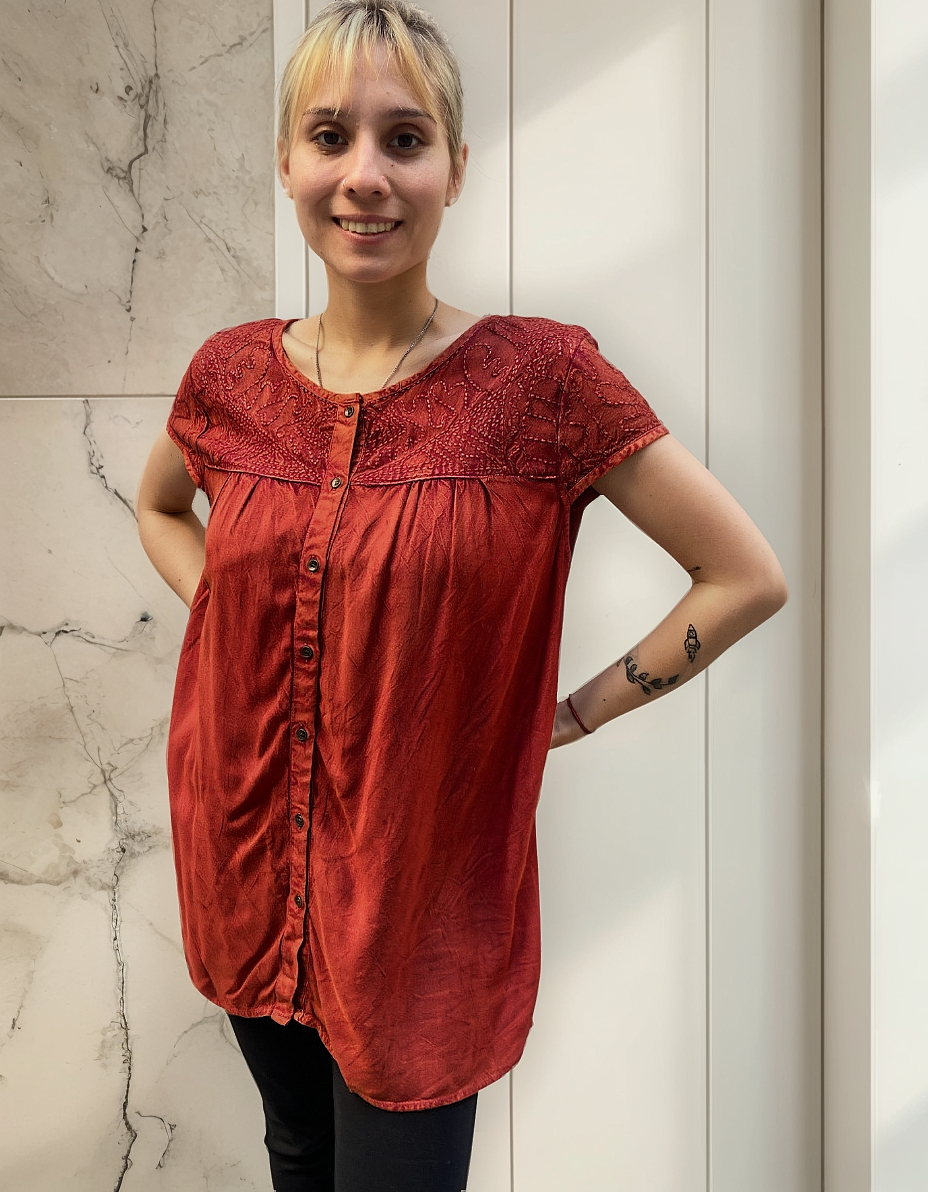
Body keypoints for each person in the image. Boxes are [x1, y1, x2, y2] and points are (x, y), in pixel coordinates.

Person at [137, 2, 788, 1189]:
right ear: (286, 161)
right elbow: (161, 507)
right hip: (244, 856)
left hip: (422, 905)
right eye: (329, 135)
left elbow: (744, 575)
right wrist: (239, 623)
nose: (364, 175)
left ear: (455, 167)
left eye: (404, 138)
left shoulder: (540, 380)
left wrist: (576, 711)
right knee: (297, 1152)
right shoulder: (229, 376)